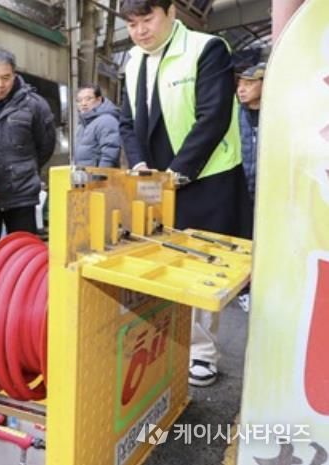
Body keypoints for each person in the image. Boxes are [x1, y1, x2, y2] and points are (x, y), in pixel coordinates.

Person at [118, 0, 252, 387]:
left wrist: (177, 173)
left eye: (148, 19)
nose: (140, 31)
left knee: (201, 267)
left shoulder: (206, 49)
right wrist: (140, 164)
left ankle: (202, 353)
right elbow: (127, 121)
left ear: (171, 12)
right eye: (132, 24)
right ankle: (165, 344)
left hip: (205, 175)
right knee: (160, 263)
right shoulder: (132, 60)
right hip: (155, 179)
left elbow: (213, 117)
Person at [0, 47, 56, 258]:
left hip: (21, 195)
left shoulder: (34, 105)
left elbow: (45, 145)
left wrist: (24, 169)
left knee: (25, 258)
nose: (0, 84)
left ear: (14, 75)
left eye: (6, 78)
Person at [74, 84, 121, 168]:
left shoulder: (107, 120)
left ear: (99, 99)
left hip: (99, 175)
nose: (83, 103)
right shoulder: (83, 124)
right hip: (85, 174)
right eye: (79, 100)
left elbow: (110, 153)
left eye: (88, 99)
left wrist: (101, 174)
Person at [237, 63, 265, 203]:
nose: (241, 90)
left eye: (248, 84)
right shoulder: (234, 114)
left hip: (268, 191)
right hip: (240, 190)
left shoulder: (279, 116)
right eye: (239, 85)